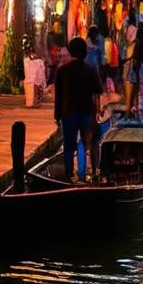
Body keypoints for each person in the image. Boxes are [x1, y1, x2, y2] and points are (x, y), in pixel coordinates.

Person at [55, 36, 103, 181]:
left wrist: (57, 115)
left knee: (69, 145)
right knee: (86, 143)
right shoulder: (91, 70)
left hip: (68, 112)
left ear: (70, 52)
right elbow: (97, 94)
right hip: (86, 112)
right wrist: (98, 112)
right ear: (85, 52)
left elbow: (59, 96)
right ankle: (88, 174)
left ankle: (69, 175)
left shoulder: (63, 71)